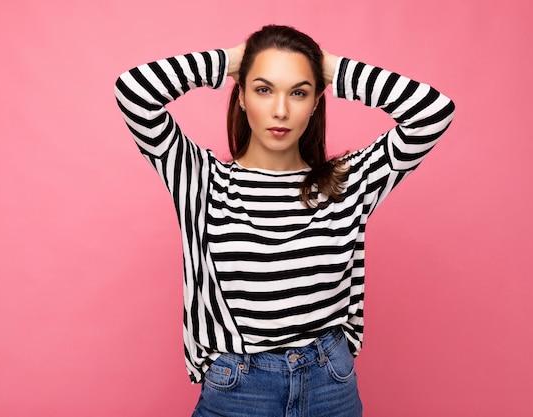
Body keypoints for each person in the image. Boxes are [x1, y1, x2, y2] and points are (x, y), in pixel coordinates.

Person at [115, 24, 454, 417]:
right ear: (241, 96)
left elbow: (432, 112)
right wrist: (231, 60)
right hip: (239, 386)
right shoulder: (201, 179)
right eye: (263, 89)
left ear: (315, 102)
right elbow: (134, 92)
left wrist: (327, 66)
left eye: (298, 92)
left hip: (331, 383)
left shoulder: (346, 182)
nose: (281, 110)